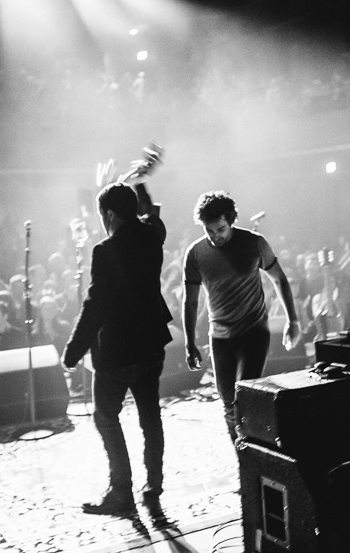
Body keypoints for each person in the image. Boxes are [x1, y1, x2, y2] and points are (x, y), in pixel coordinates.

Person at [62, 156, 172, 517]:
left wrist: (72, 352)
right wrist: (139, 182)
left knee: (106, 417)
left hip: (117, 353)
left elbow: (95, 305)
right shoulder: (153, 237)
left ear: (108, 215)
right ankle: (153, 485)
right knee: (150, 416)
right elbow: (151, 217)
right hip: (151, 345)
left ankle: (121, 491)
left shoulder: (105, 251)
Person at [182, 191, 301, 443]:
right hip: (220, 336)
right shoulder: (195, 254)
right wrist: (190, 342)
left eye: (220, 229)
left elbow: (279, 278)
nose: (215, 236)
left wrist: (293, 320)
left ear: (232, 220)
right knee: (227, 402)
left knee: (247, 395)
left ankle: (257, 451)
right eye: (209, 230)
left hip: (254, 332)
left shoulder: (254, 243)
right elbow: (190, 301)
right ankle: (243, 458)